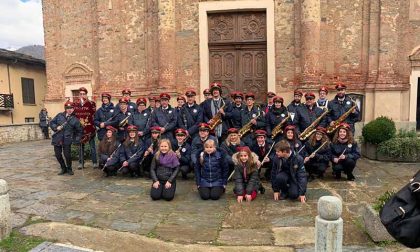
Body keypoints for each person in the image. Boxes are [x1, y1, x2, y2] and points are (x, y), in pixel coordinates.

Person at [50, 101, 83, 175]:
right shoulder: (59, 115)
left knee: (67, 155)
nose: (69, 110)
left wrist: (77, 139)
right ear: (65, 109)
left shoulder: (75, 119)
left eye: (71, 108)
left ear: (73, 109)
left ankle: (69, 168)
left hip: (67, 139)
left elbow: (79, 131)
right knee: (58, 155)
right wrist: (56, 127)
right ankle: (63, 168)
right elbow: (52, 122)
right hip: (57, 138)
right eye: (68, 108)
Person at [73, 87, 97, 169]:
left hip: (90, 129)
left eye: (84, 94)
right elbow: (73, 116)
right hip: (80, 130)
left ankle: (94, 162)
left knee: (92, 147)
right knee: (81, 147)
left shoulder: (91, 103)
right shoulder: (75, 104)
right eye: (81, 94)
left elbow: (94, 115)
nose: (82, 95)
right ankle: (81, 163)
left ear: (86, 95)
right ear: (79, 95)